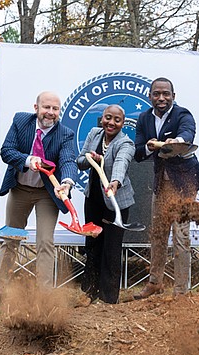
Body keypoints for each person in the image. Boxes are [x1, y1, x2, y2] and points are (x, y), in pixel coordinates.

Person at [0, 91, 77, 309]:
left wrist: (67, 182)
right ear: (36, 108)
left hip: (46, 193)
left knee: (45, 242)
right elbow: (6, 151)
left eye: (55, 109)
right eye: (46, 107)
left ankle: (44, 297)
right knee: (11, 239)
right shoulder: (21, 121)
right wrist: (27, 159)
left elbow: (68, 160)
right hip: (20, 188)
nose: (50, 113)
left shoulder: (65, 134)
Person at [133, 77, 199, 299]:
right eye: (157, 94)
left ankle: (181, 291)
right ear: (150, 96)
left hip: (184, 182)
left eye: (166, 94)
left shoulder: (183, 114)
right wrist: (148, 147)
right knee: (158, 233)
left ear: (173, 96)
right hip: (161, 183)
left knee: (181, 235)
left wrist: (176, 141)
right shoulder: (144, 119)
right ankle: (155, 282)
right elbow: (138, 152)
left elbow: (187, 135)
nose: (161, 98)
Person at [76, 105, 135, 304]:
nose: (111, 123)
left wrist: (115, 181)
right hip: (93, 199)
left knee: (111, 248)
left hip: (116, 202)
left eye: (117, 120)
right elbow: (80, 161)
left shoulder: (125, 143)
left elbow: (122, 162)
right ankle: (89, 291)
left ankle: (109, 297)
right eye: (108, 118)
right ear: (102, 118)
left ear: (122, 123)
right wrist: (90, 158)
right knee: (92, 244)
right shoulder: (94, 134)